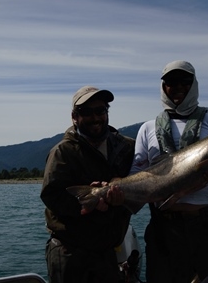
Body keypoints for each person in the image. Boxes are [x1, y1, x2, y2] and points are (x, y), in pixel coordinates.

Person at [131, 60, 208, 283]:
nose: (178, 87)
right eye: (171, 82)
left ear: (194, 84)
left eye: (185, 81)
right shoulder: (147, 128)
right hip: (164, 228)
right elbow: (135, 173)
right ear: (163, 86)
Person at [40, 85, 135, 283]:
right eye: (86, 112)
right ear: (74, 116)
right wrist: (88, 203)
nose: (95, 118)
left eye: (100, 110)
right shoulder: (62, 152)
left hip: (107, 251)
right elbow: (52, 195)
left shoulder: (127, 147)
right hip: (70, 252)